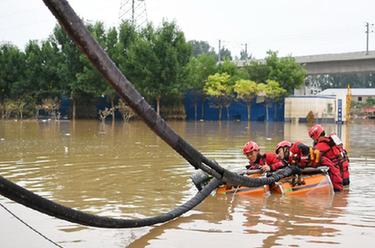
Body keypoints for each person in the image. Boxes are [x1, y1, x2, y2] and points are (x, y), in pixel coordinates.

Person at [275, 140, 344, 192]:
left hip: (322, 161)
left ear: (285, 148)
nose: (277, 156)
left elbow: (304, 148)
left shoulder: (296, 146)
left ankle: (338, 191)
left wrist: (303, 161)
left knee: (335, 176)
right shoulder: (288, 160)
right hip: (311, 166)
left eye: (279, 152)